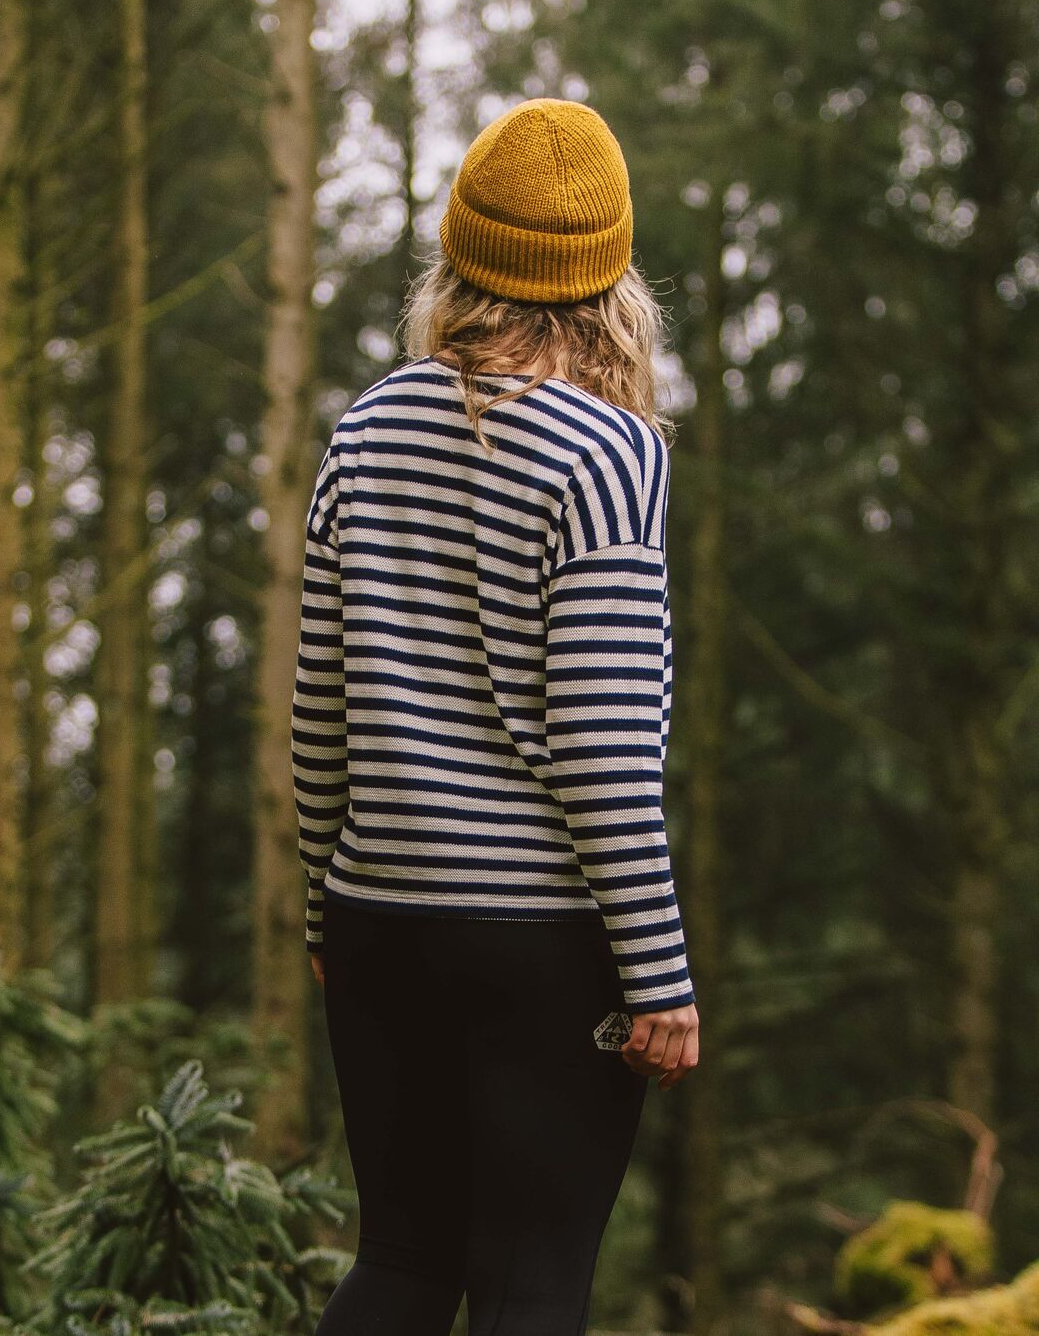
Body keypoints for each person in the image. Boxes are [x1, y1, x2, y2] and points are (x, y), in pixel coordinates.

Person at [293, 96, 699, 1336]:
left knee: (401, 1264)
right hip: (541, 940)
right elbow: (600, 745)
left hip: (379, 924)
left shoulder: (366, 430)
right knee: (531, 1283)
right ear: (608, 273)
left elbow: (321, 708)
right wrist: (659, 971)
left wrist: (326, 901)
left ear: (460, 252)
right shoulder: (606, 453)